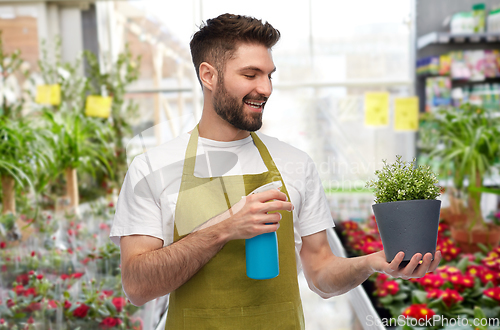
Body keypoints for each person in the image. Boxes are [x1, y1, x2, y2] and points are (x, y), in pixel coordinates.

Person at [110, 13, 441, 329]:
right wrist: (225, 228)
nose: (266, 88)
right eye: (251, 75)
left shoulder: (294, 163)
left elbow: (321, 273)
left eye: (270, 75)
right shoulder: (152, 168)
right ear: (208, 76)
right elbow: (138, 287)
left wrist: (372, 263)